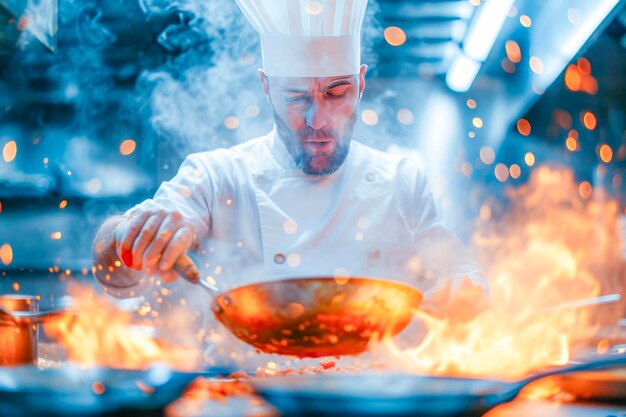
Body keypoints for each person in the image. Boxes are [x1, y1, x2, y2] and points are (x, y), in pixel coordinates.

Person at [92, 0, 487, 322]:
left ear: (361, 84)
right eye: (296, 96)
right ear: (265, 86)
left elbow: (457, 269)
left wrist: (463, 287)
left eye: (337, 93)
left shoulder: (403, 180)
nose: (318, 120)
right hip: (247, 396)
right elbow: (115, 271)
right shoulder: (217, 175)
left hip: (371, 395)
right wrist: (126, 236)